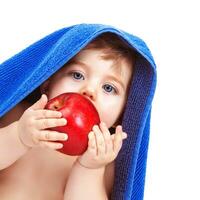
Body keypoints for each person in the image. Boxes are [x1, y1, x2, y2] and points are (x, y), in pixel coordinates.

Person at [0, 32, 136, 199]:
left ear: (122, 115)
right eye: (77, 75)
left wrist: (90, 169)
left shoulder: (105, 161)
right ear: (46, 83)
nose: (89, 90)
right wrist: (18, 136)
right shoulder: (18, 115)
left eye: (109, 88)